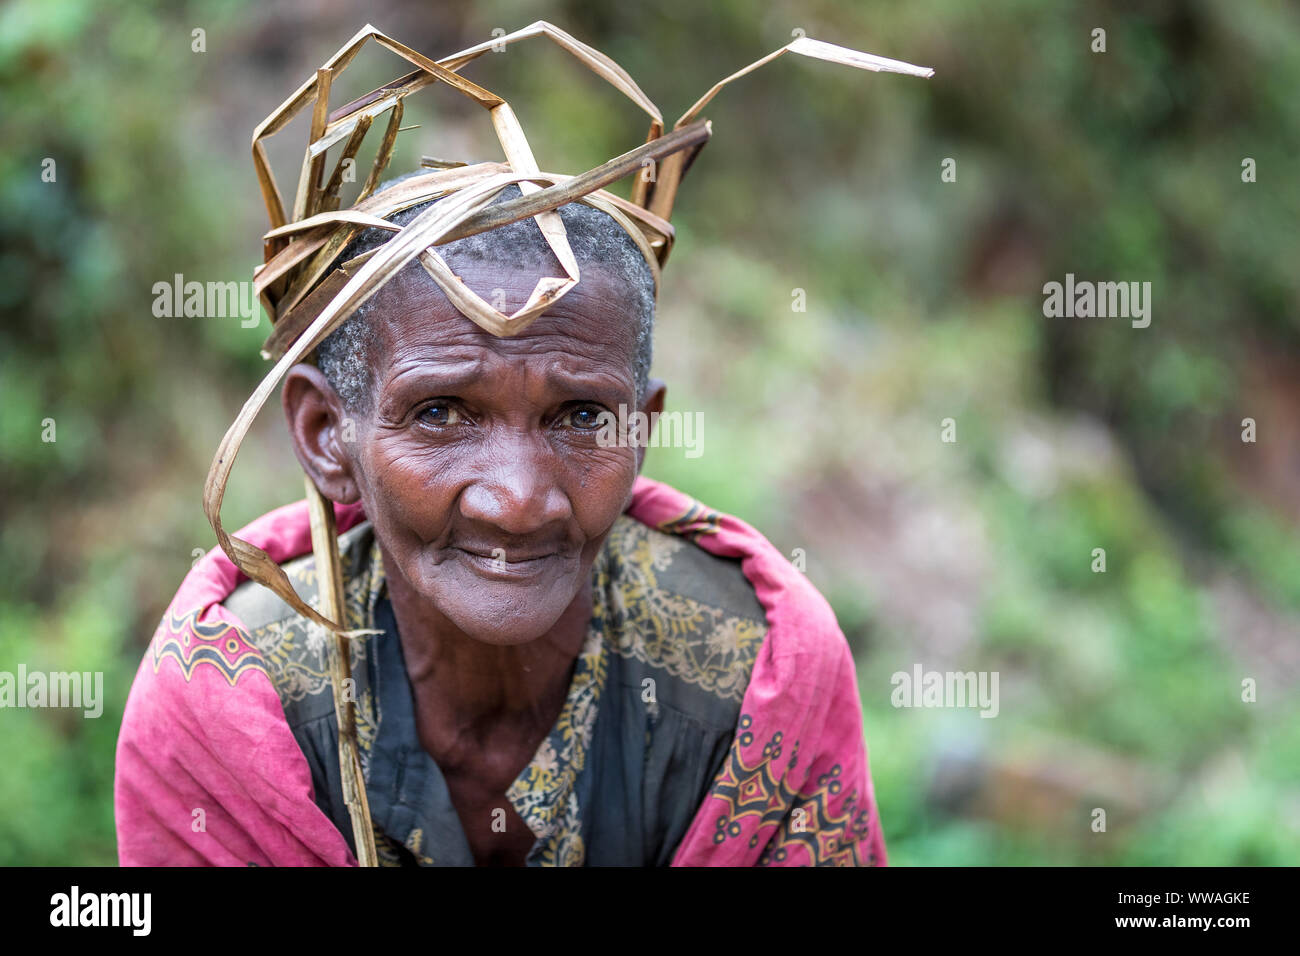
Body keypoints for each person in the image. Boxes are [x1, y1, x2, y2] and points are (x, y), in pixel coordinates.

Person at [114, 22, 927, 867]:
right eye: (440, 414)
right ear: (327, 437)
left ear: (638, 432)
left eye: (579, 417)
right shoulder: (229, 706)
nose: (520, 500)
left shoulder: (753, 681)